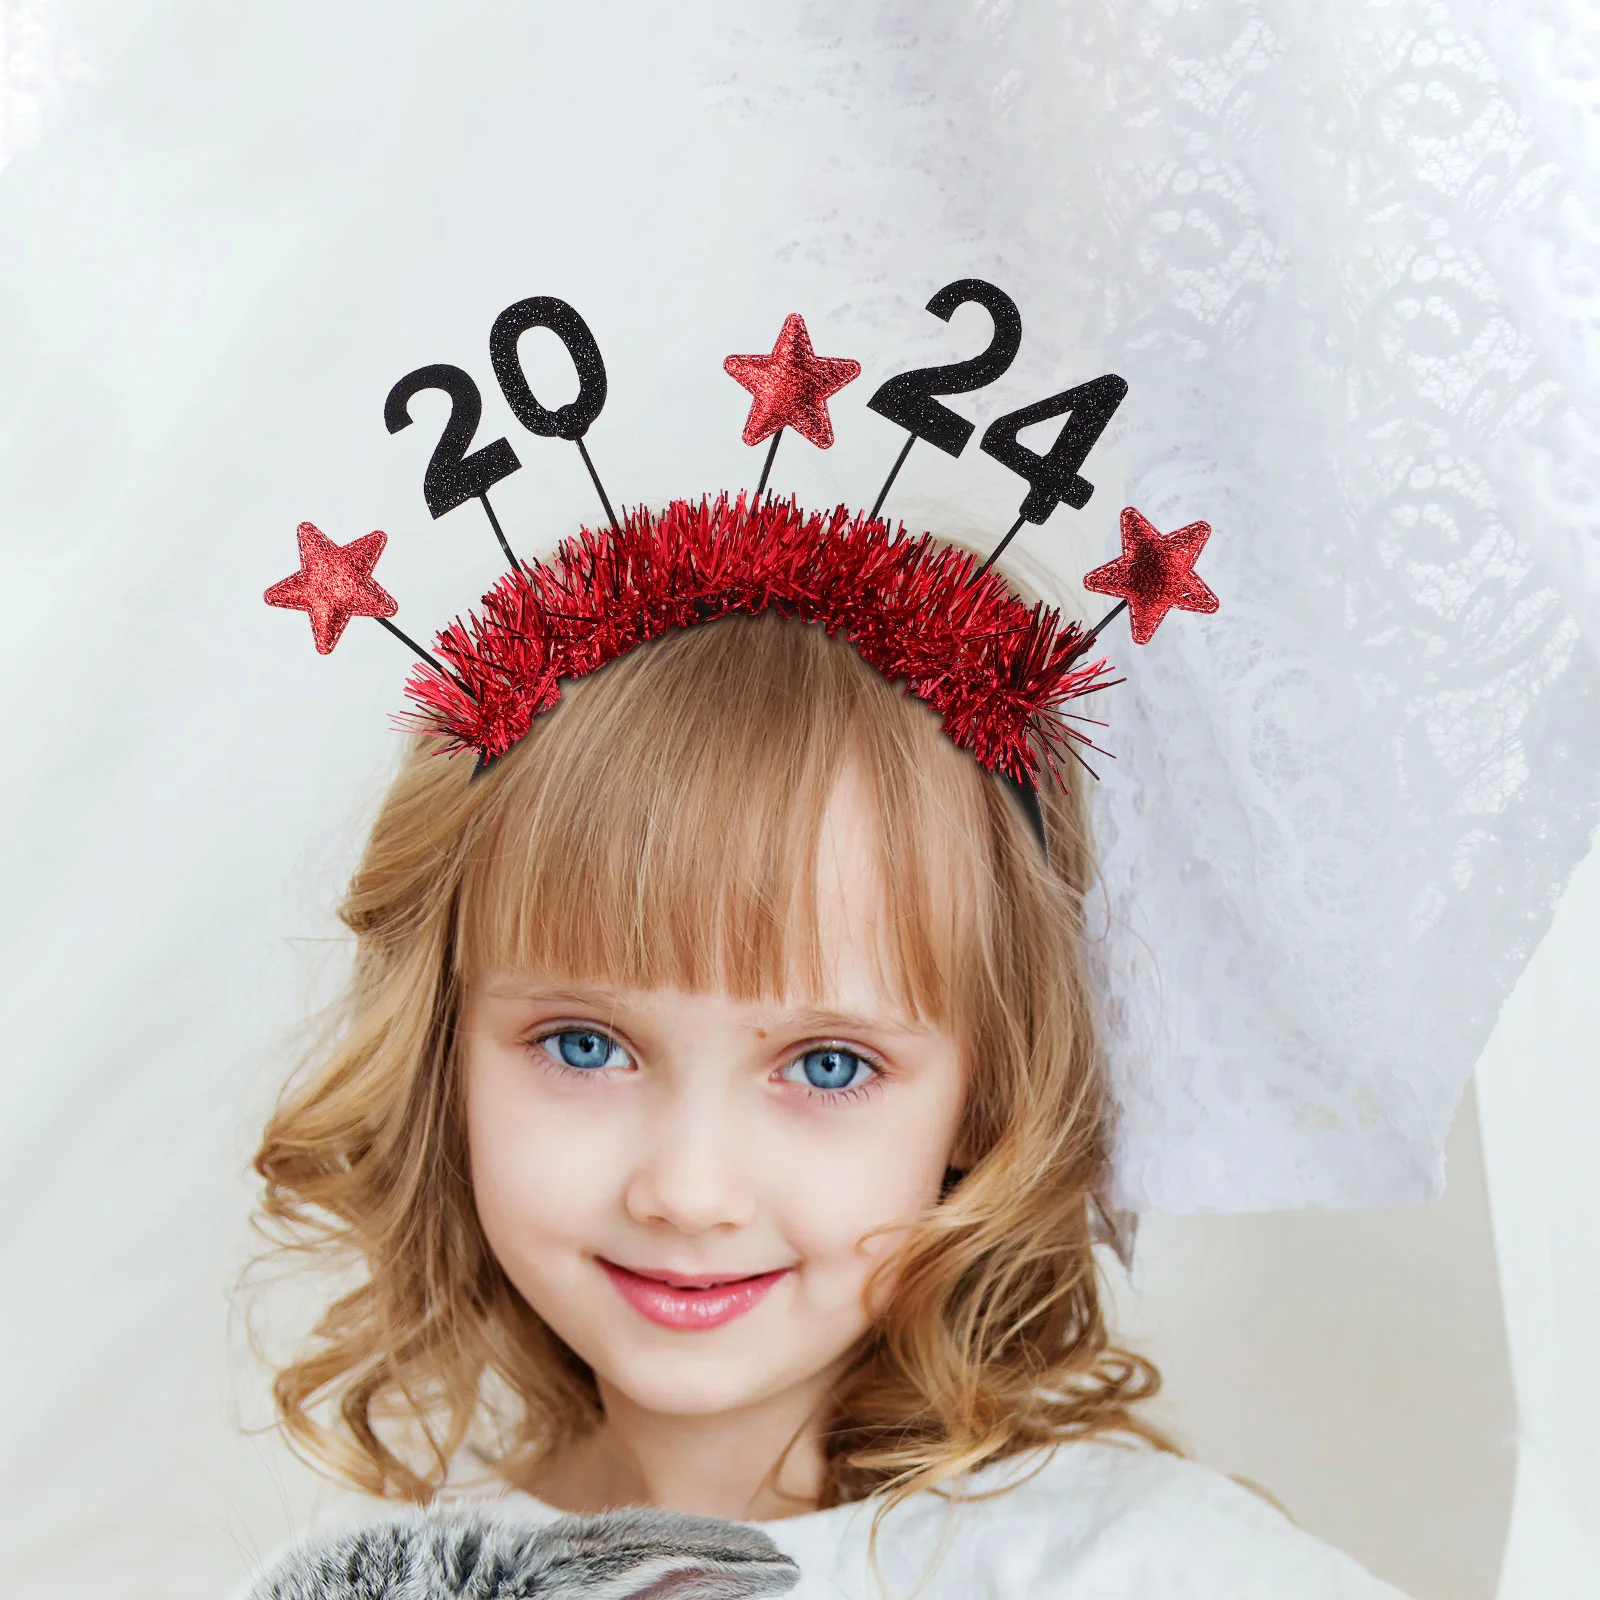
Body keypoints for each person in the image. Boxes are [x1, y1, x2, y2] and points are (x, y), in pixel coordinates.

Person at [246, 508, 1407, 1598]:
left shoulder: (1143, 1572)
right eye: (584, 1044)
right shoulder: (395, 1572)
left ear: (985, 1099)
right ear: (444, 1057)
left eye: (827, 1064)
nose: (688, 1190)